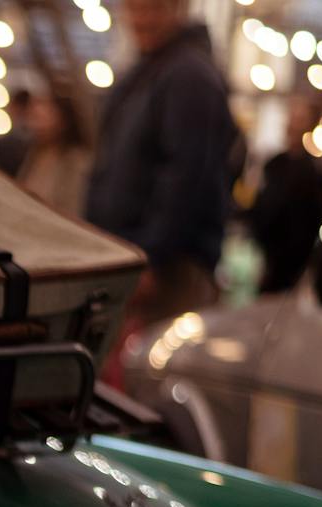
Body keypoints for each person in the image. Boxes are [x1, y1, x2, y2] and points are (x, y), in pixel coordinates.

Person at [83, 0, 239, 332]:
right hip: (130, 259)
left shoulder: (190, 76)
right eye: (134, 8)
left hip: (168, 272)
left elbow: (186, 177)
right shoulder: (146, 70)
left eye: (153, 8)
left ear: (179, 9)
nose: (141, 19)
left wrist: (151, 257)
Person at [246, 96, 322, 294]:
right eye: (292, 117)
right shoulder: (274, 164)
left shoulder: (314, 175)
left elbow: (308, 225)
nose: (292, 124)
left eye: (299, 119)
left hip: (291, 266)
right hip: (266, 257)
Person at [16, 87, 91, 219]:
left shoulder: (75, 160)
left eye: (41, 117)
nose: (34, 123)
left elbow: (73, 210)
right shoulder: (35, 153)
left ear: (63, 120)